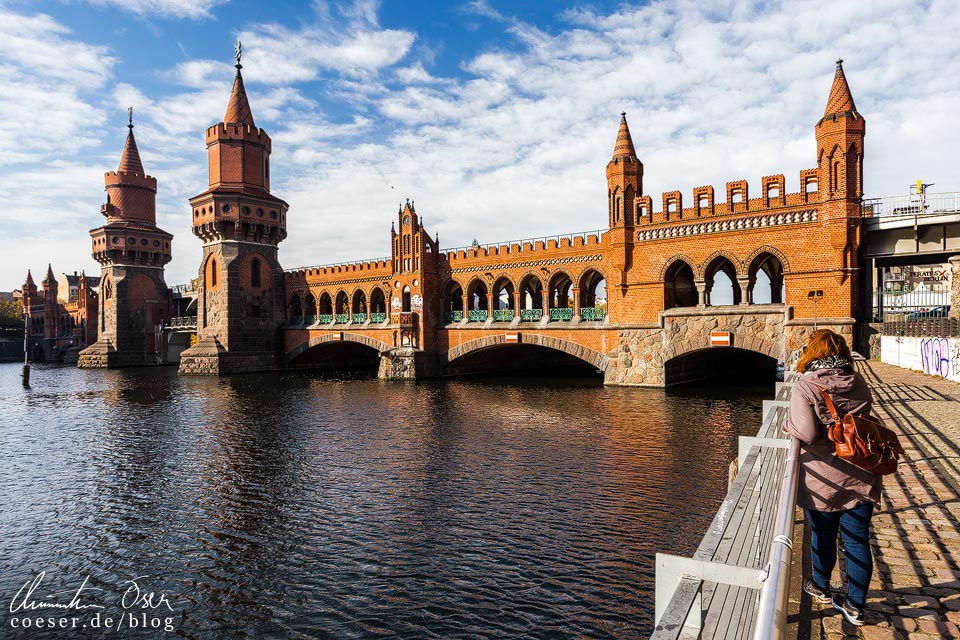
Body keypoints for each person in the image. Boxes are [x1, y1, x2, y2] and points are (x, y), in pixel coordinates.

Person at [783, 329, 882, 627]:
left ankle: (821, 585)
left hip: (823, 479)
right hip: (862, 473)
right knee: (857, 541)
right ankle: (855, 606)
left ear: (812, 352)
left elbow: (809, 433)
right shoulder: (857, 379)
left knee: (823, 535)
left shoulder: (806, 386)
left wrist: (789, 424)